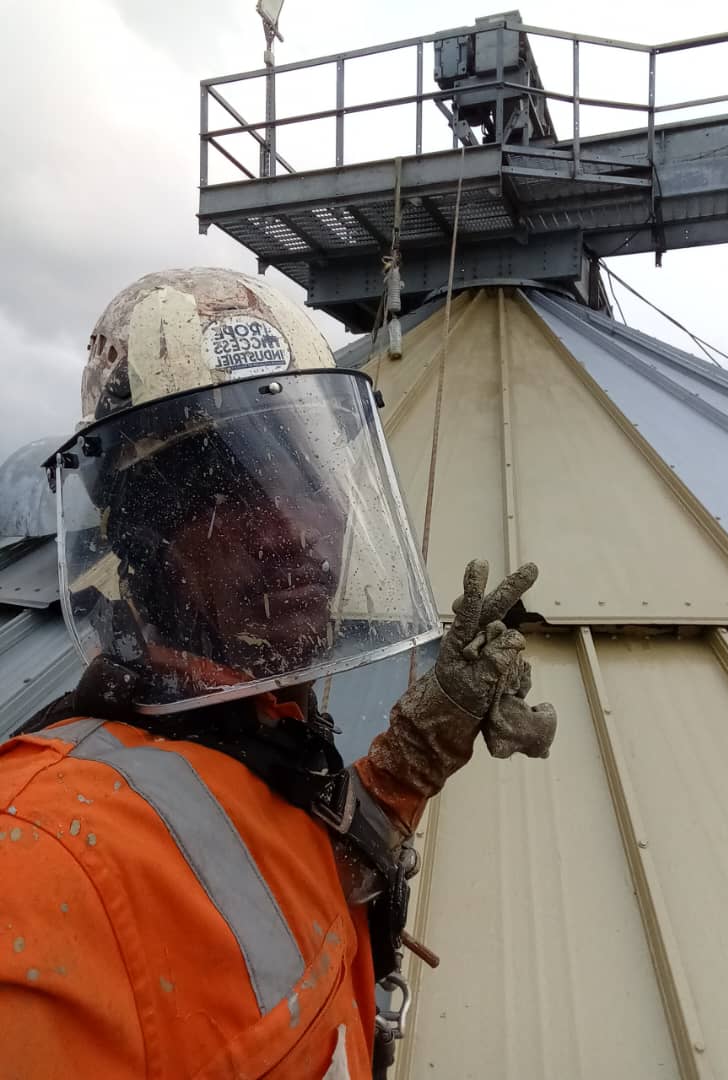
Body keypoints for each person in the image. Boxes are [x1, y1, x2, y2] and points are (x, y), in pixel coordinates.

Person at [0, 268, 556, 1079]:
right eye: (232, 486)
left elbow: (284, 875)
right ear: (145, 538)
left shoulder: (262, 735)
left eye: (311, 477)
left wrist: (417, 754)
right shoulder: (46, 859)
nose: (297, 530)